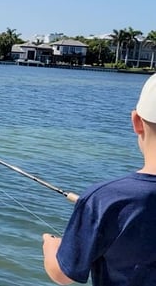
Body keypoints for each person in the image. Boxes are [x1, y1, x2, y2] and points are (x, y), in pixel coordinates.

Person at [42, 73, 156, 285]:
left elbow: (63, 274)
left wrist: (51, 247)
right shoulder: (104, 201)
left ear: (137, 122)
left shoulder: (104, 199)